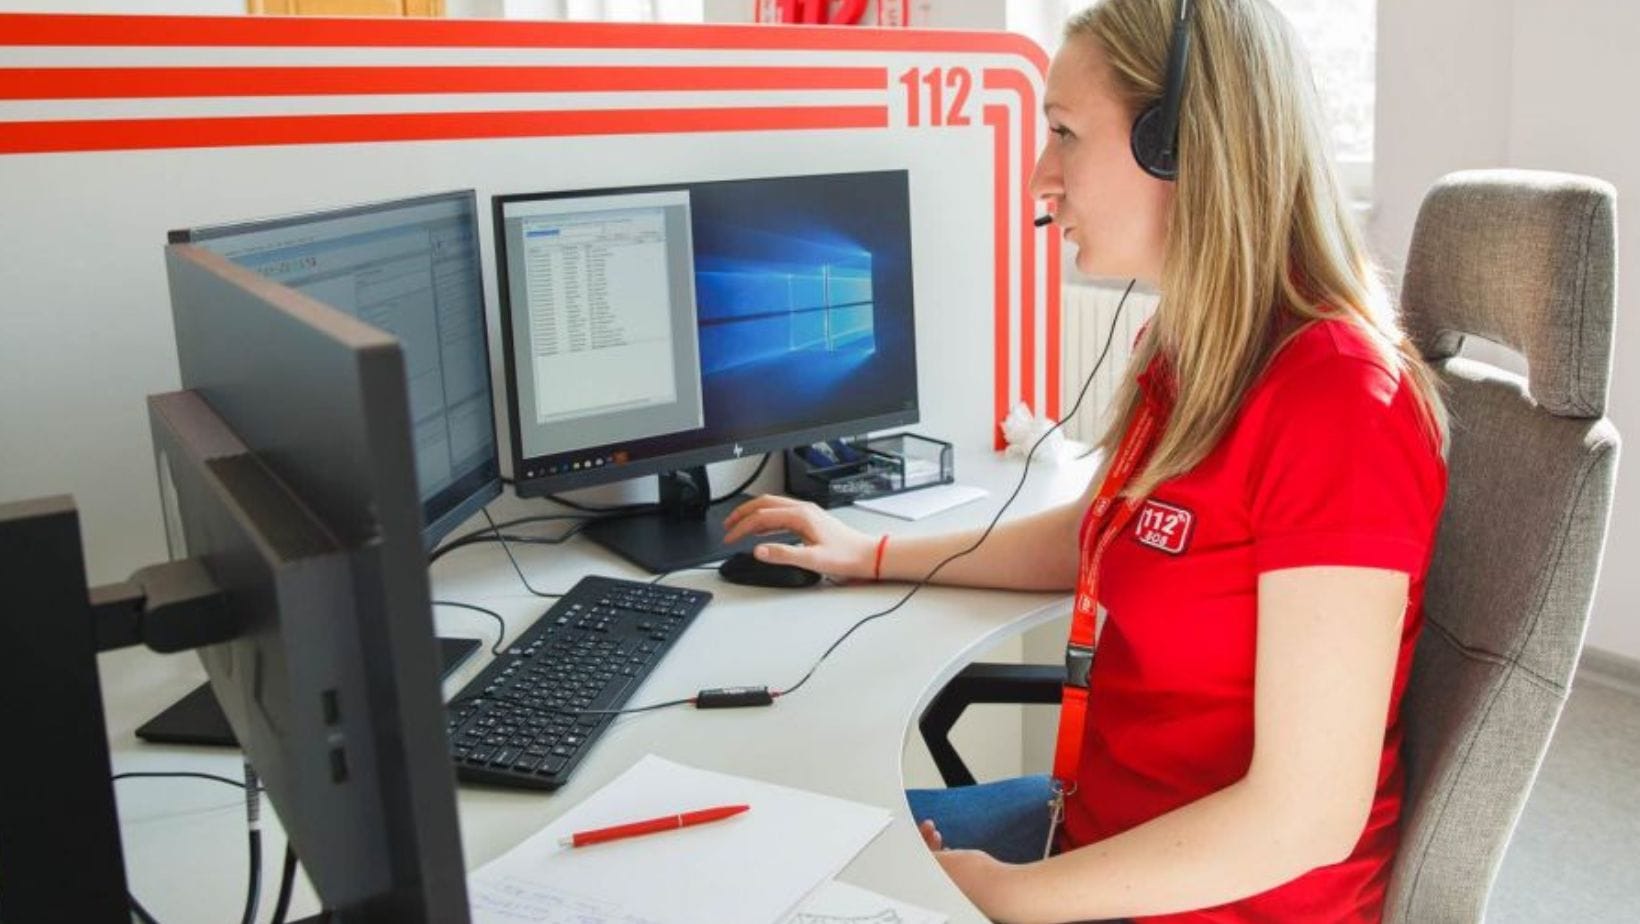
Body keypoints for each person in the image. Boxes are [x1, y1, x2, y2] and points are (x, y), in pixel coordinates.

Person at [722, 0, 1448, 921]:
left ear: (1178, 144)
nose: (1040, 177)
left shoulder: (1338, 403)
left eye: (1064, 133)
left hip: (1208, 904)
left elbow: (1305, 819)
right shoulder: (1188, 350)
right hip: (1092, 838)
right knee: (776, 845)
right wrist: (867, 554)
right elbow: (1094, 536)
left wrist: (1008, 895)